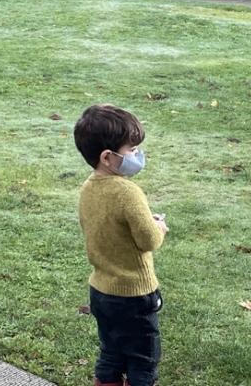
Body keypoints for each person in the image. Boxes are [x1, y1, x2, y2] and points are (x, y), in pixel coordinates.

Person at [74, 104, 169, 386]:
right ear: (107, 157)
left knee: (111, 353)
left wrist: (141, 222)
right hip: (134, 294)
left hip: (101, 291)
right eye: (131, 151)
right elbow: (148, 240)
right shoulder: (128, 192)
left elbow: (108, 226)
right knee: (143, 359)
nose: (136, 156)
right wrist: (159, 227)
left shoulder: (88, 187)